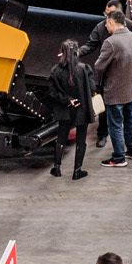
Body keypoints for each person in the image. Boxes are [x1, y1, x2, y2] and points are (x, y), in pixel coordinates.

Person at [94, 11, 132, 165]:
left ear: (111, 22)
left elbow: (99, 66)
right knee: (130, 120)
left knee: (115, 125)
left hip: (114, 90)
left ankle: (118, 157)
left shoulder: (111, 42)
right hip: (130, 88)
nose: (105, 26)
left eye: (106, 23)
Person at [45, 44, 95, 180]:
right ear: (76, 53)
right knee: (81, 138)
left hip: (65, 109)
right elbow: (92, 89)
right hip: (82, 109)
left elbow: (53, 92)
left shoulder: (56, 70)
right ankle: (77, 171)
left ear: (62, 53)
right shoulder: (85, 68)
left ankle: (57, 168)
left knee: (61, 136)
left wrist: (68, 100)